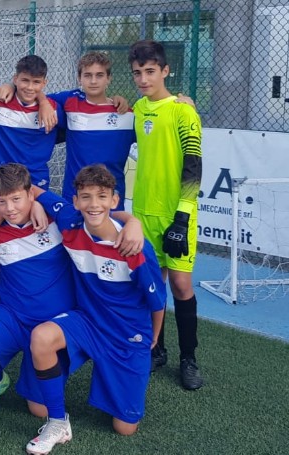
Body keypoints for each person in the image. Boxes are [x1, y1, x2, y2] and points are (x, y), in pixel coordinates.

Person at [24, 164, 165, 454]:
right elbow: (31, 190)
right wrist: (36, 204)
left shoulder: (134, 248)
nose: (94, 204)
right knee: (41, 344)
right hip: (87, 321)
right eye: (86, 197)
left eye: (102, 196)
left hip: (126, 334)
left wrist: (152, 338)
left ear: (114, 200)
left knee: (125, 428)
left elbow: (158, 302)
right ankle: (57, 422)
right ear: (75, 201)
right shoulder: (70, 220)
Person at [0, 163, 75, 420]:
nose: (9, 208)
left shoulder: (56, 217)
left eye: (17, 199)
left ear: (30, 194)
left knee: (39, 410)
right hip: (13, 317)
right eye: (1, 202)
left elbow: (95, 216)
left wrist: (131, 222)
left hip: (51, 325)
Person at [129, 39, 204, 390]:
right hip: (144, 213)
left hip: (176, 214)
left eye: (150, 71)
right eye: (137, 73)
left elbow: (193, 166)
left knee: (180, 284)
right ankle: (156, 348)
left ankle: (189, 357)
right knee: (151, 284)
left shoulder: (183, 111)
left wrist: (183, 217)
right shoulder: (138, 108)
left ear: (165, 71)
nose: (144, 79)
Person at [49, 52, 135, 207]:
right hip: (75, 196)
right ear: (79, 78)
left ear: (109, 78)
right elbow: (33, 95)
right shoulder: (71, 101)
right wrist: (42, 103)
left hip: (110, 199)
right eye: (88, 75)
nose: (93, 81)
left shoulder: (126, 114)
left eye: (99, 75)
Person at [0, 55, 64, 190]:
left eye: (36, 82)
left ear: (44, 83)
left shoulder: (53, 110)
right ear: (15, 79)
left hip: (35, 180)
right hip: (0, 180)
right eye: (25, 80)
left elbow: (71, 132)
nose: (30, 87)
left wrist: (43, 101)